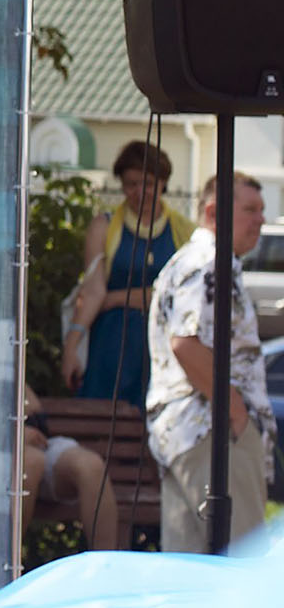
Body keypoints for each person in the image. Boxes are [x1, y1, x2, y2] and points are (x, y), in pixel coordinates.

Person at [144, 171, 277, 553]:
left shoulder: (193, 261)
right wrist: (235, 412)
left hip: (189, 433)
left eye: (262, 210)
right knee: (237, 567)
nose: (260, 220)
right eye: (250, 209)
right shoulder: (208, 263)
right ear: (214, 212)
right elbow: (186, 343)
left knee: (193, 576)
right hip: (212, 435)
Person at [63, 141, 195, 405]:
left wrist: (114, 299)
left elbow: (177, 297)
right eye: (130, 184)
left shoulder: (185, 232)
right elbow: (92, 291)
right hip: (111, 345)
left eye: (147, 183)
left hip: (163, 347)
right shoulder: (104, 226)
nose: (139, 192)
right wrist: (70, 347)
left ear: (163, 182)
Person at [20, 386, 121, 550]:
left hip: (41, 441)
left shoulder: (6, 363)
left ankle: (105, 564)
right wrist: (13, 434)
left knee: (90, 466)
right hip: (1, 451)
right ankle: (4, 567)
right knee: (32, 462)